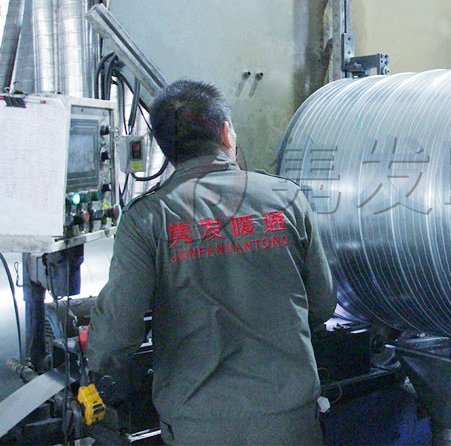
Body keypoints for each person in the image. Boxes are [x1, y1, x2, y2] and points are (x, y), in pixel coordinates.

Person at [86, 79, 336, 445]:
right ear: (225, 132)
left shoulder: (148, 218)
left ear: (165, 148)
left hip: (198, 424)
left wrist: (97, 371)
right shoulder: (287, 198)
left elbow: (118, 331)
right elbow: (323, 304)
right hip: (288, 417)